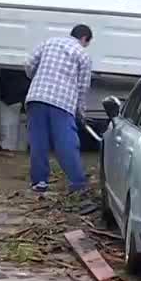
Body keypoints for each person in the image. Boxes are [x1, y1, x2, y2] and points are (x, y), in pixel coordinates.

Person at [24, 24, 94, 194]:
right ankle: (78, 183)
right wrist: (81, 111)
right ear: (84, 39)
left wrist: (37, 79)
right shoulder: (82, 54)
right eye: (87, 42)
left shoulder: (49, 42)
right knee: (66, 143)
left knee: (38, 142)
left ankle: (39, 182)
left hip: (36, 97)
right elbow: (82, 87)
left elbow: (28, 64)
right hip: (62, 103)